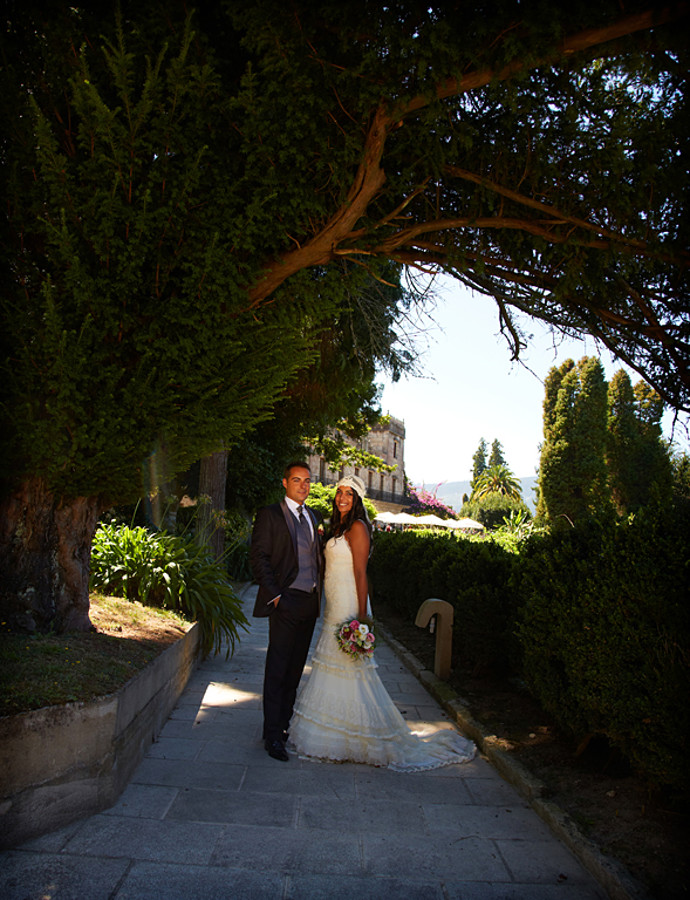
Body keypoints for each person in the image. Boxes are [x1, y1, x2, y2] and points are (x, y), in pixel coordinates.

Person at [289, 475, 475, 771]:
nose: (342, 498)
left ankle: (363, 733)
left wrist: (362, 619)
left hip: (350, 605)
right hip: (333, 604)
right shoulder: (340, 527)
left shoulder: (359, 527)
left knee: (353, 667)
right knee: (334, 664)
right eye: (340, 493)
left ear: (358, 499)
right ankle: (338, 729)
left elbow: (362, 574)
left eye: (349, 494)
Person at [250, 461, 323, 762]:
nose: (303, 486)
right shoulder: (270, 515)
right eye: (297, 480)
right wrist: (277, 597)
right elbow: (259, 558)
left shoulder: (314, 516)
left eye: (307, 481)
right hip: (286, 600)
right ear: (285, 482)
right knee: (278, 669)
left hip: (309, 602)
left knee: (295, 671)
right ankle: (271, 735)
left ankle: (283, 727)